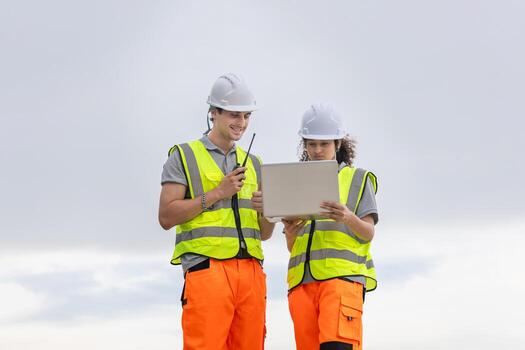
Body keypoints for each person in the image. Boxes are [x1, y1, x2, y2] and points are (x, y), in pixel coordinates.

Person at [158, 73, 275, 350]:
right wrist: (218, 193)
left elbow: (265, 233)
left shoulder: (256, 164)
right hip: (207, 270)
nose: (241, 123)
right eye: (234, 115)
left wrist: (267, 213)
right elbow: (166, 217)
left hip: (251, 273)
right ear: (214, 113)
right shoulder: (183, 155)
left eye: (246, 116)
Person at [283, 103, 379, 350]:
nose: (317, 150)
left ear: (338, 144)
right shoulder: (294, 183)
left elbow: (368, 233)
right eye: (311, 144)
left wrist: (348, 217)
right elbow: (294, 246)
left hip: (340, 283)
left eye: (324, 144)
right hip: (302, 284)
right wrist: (290, 234)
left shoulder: (358, 179)